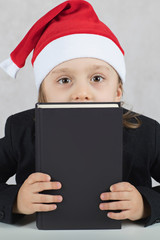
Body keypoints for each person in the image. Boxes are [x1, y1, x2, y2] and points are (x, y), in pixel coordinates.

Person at [0, 0, 160, 227]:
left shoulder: (147, 133)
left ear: (117, 91)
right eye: (64, 80)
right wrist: (16, 201)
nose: (82, 93)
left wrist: (145, 204)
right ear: (43, 95)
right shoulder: (21, 131)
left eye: (97, 78)